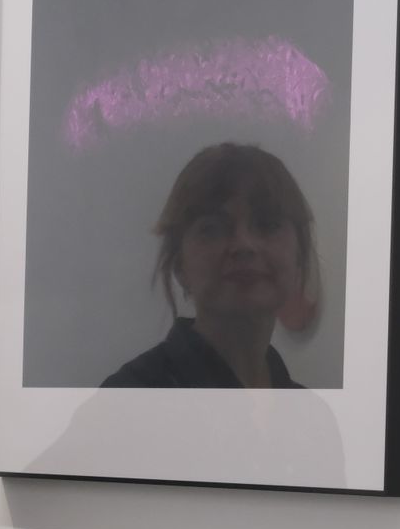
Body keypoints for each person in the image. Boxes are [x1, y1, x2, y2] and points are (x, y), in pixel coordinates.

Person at [102, 142, 321, 389]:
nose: (244, 244)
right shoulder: (129, 394)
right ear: (179, 264)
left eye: (268, 224)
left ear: (300, 255)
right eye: (213, 228)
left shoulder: (309, 408)